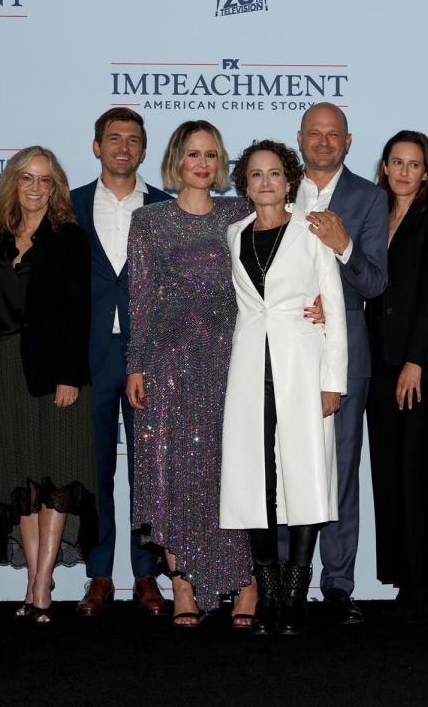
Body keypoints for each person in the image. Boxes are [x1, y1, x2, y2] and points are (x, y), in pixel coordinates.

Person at [125, 120, 254, 627]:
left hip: (231, 359)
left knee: (230, 471)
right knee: (173, 474)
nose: (202, 163)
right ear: (177, 160)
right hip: (169, 361)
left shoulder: (240, 212)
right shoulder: (149, 221)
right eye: (192, 154)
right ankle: (183, 585)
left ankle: (244, 583)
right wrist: (136, 364)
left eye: (210, 154)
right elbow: (139, 300)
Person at [220, 139, 347, 636]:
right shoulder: (234, 234)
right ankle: (268, 595)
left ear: (290, 180)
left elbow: (333, 307)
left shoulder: (312, 230)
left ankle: (295, 598)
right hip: (250, 370)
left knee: (305, 476)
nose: (266, 182)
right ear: (245, 185)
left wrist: (332, 380)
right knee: (255, 480)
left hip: (302, 368)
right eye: (256, 175)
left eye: (275, 173)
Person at [0, 146, 97, 624]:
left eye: (45, 180)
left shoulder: (69, 237)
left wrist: (70, 374)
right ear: (13, 182)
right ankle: (35, 579)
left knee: (56, 477)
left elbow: (80, 312)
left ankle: (42, 585)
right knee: (24, 480)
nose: (35, 187)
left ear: (56, 189)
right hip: (9, 372)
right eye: (27, 178)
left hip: (56, 373)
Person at [70, 108, 172, 617]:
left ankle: (148, 575)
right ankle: (100, 574)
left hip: (149, 358)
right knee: (95, 471)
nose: (123, 148)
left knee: (148, 472)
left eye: (133, 140)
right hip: (89, 356)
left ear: (144, 151)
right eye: (113, 139)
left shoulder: (166, 208)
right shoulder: (69, 207)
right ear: (96, 147)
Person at [295, 102, 387, 625]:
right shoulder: (277, 188)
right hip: (282, 351)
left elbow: (375, 283)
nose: (324, 142)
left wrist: (344, 245)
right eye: (315, 133)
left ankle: (337, 585)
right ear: (301, 137)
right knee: (284, 466)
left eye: (334, 135)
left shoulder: (369, 199)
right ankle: (284, 580)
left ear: (348, 142)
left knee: (341, 471)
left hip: (346, 354)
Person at [365, 130, 428, 623]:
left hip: (417, 363)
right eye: (395, 162)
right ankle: (401, 576)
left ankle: (424, 584)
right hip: (378, 359)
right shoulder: (377, 215)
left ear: (427, 173)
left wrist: (416, 361)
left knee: (416, 473)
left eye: (413, 164)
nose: (403, 171)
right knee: (387, 470)